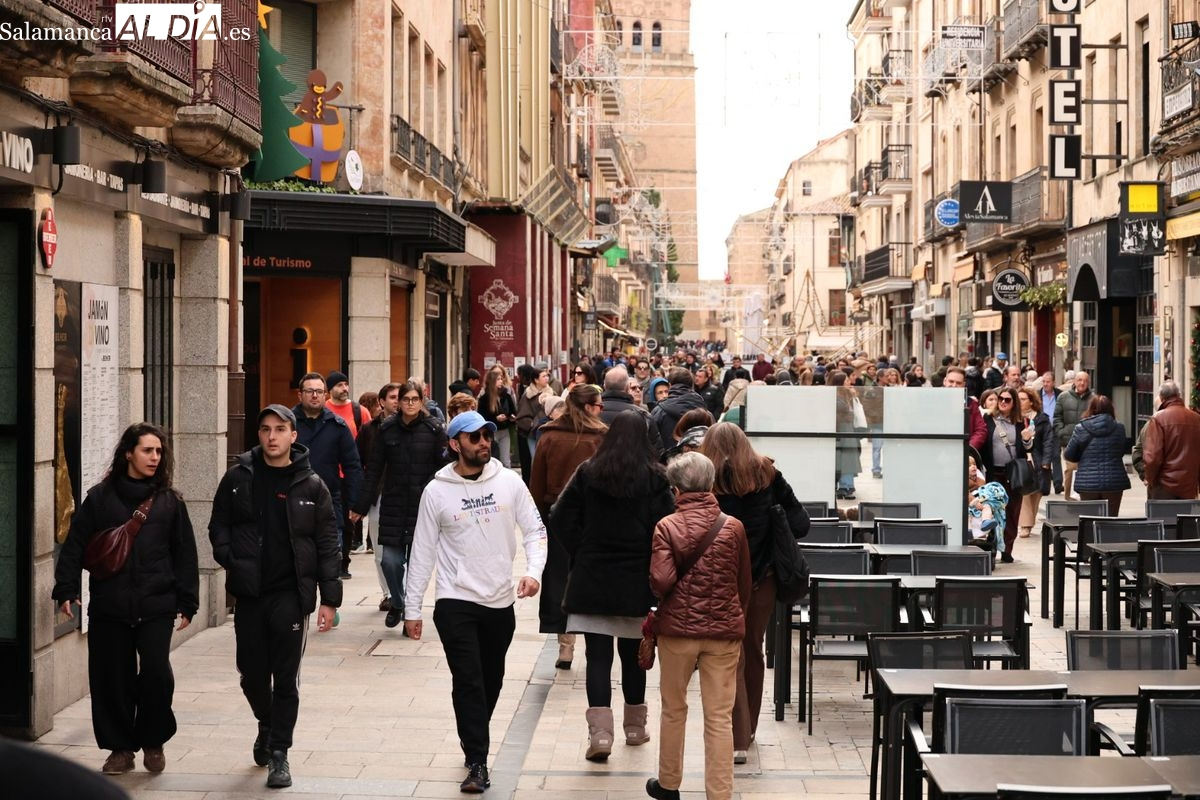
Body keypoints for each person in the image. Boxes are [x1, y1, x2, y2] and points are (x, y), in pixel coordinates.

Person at [402, 410, 547, 794]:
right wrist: (412, 609)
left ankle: (473, 738)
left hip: (499, 602)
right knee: (468, 680)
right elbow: (422, 552)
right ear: (454, 444)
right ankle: (478, 761)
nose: (484, 441)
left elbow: (535, 530)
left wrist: (534, 571)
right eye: (474, 437)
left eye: (487, 434)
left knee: (491, 680)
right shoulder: (436, 491)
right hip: (455, 600)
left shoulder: (510, 483)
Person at [52, 422, 199, 777]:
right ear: (128, 453)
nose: (154, 457)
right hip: (110, 605)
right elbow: (75, 546)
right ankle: (120, 749)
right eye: (147, 450)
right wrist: (67, 589)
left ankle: (153, 740)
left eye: (158, 451)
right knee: (111, 678)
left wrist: (187, 601)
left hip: (156, 605)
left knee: (156, 675)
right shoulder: (99, 499)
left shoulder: (169, 502)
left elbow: (185, 554)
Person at [208, 404, 342, 789]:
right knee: (251, 675)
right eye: (265, 429)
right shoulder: (238, 478)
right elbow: (219, 524)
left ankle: (280, 753)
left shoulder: (312, 485)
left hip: (290, 594)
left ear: (293, 436)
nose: (271, 436)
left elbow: (327, 543)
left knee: (285, 677)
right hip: (250, 593)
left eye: (280, 429)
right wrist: (230, 557)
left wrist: (330, 599)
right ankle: (266, 722)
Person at [551, 410, 675, 762]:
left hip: (593, 579)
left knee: (598, 658)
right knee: (635, 657)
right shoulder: (655, 478)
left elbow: (559, 516)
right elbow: (667, 525)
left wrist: (582, 547)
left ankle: (601, 736)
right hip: (637, 582)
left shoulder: (589, 472)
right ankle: (635, 729)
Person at [700, 422, 807, 763]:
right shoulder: (768, 474)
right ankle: (749, 728)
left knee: (729, 651)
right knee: (752, 649)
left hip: (720, 580)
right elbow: (801, 522)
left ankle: (737, 736)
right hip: (765, 578)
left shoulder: (704, 477)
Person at [645, 452, 750, 800]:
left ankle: (669, 783)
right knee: (719, 716)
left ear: (676, 488)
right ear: (710, 484)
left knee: (674, 708)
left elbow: (661, 582)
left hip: (677, 632)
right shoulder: (733, 526)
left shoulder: (667, 526)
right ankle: (719, 793)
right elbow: (743, 582)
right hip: (723, 634)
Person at [350, 380, 447, 629]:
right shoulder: (387, 429)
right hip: (392, 503)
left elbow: (443, 469)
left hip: (422, 507)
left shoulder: (434, 429)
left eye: (415, 399)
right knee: (389, 561)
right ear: (399, 402)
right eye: (406, 400)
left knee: (416, 565)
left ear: (422, 401)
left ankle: (410, 612)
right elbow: (373, 469)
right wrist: (360, 506)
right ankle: (398, 600)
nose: (410, 404)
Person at [531, 383, 608, 670]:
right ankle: (594, 641)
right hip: (593, 519)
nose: (602, 410)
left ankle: (565, 647)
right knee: (590, 579)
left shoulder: (548, 437)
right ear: (588, 406)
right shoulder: (600, 439)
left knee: (560, 580)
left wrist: (538, 522)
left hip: (556, 517)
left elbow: (537, 484)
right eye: (599, 405)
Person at [292, 372, 361, 580]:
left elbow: (352, 466)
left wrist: (355, 503)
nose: (315, 396)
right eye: (310, 391)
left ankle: (330, 606)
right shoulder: (287, 422)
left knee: (331, 564)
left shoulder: (337, 426)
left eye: (319, 391)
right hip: (292, 502)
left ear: (325, 395)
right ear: (300, 394)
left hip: (329, 502)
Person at [356, 382, 401, 613]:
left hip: (406, 496)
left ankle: (402, 592)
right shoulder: (369, 430)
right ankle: (388, 594)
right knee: (380, 549)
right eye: (392, 397)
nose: (397, 400)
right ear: (381, 402)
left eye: (399, 396)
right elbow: (360, 463)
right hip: (378, 495)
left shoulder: (416, 427)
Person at [978, 387, 1029, 562]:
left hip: (1013, 473)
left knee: (1012, 512)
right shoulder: (988, 419)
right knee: (991, 510)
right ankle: (991, 548)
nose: (1003, 402)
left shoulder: (1022, 422)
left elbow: (1027, 448)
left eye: (1008, 400)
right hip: (993, 472)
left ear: (1014, 403)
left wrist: (1027, 440)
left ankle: (1007, 548)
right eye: (1001, 399)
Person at [1065, 394, 1131, 515]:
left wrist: (1082, 457)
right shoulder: (1119, 428)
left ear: (1091, 408)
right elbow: (1122, 451)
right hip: (1114, 482)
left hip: (1087, 482)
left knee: (1090, 521)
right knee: (1111, 520)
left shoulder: (1081, 428)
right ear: (1111, 409)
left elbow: (1069, 454)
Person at [1141, 381, 1200, 499]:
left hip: (1164, 487)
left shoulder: (1158, 419)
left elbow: (1153, 457)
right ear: (1179, 395)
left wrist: (1150, 479)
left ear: (1162, 398)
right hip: (1189, 486)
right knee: (1186, 517)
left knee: (1164, 517)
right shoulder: (1196, 419)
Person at [1015, 387, 1056, 538]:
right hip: (1021, 460)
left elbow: (1048, 441)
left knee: (1036, 493)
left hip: (1037, 460)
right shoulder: (1015, 419)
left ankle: (1029, 524)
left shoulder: (1042, 419)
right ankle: (1025, 525)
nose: (1020, 402)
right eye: (1018, 399)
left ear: (1031, 402)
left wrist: (1046, 461)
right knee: (1024, 492)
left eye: (1023, 399)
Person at [600, 365, 664, 453]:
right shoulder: (643, 415)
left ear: (604, 386)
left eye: (640, 388)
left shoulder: (592, 411)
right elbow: (656, 451)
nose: (638, 390)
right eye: (633, 388)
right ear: (627, 387)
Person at [1052, 371, 1093, 501]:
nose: (1082, 383)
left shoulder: (1094, 398)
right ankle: (1069, 498)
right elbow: (1057, 417)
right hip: (1069, 440)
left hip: (1088, 442)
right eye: (1079, 380)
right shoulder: (1063, 397)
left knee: (1085, 470)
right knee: (1070, 469)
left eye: (1085, 381)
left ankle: (1083, 497)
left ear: (1089, 383)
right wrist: (1062, 432)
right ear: (1074, 381)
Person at [515, 363, 554, 484]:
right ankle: (535, 486)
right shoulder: (527, 394)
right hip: (533, 434)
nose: (547, 378)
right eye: (543, 376)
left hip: (549, 432)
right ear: (536, 380)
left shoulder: (552, 393)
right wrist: (532, 424)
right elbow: (521, 416)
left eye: (547, 376)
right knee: (535, 461)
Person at [651, 368, 708, 447]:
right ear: (691, 385)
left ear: (670, 385)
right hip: (698, 457)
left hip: (668, 457)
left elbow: (652, 441)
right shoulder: (706, 413)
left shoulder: (658, 411)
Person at [830, 371, 863, 500]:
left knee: (848, 458)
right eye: (846, 380)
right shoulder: (835, 396)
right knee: (843, 458)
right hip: (841, 430)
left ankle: (846, 485)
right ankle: (844, 485)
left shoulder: (846, 395)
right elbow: (843, 412)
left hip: (847, 430)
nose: (849, 382)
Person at [479, 364, 517, 468]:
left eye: (502, 378)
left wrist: (511, 417)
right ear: (492, 381)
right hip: (492, 432)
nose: (501, 381)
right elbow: (482, 417)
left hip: (504, 430)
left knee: (506, 461)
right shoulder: (484, 398)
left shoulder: (506, 394)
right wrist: (495, 419)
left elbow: (513, 411)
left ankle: (508, 483)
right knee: (492, 460)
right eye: (498, 379)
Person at [944, 367, 988, 452]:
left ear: (964, 384)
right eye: (951, 381)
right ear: (945, 381)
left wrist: (968, 448)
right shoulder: (933, 402)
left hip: (964, 452)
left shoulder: (971, 404)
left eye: (958, 383)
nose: (954, 385)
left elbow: (981, 430)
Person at [1039, 372, 1064, 493]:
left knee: (1055, 455)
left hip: (1055, 429)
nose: (1045, 384)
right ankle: (1045, 485)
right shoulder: (1037, 395)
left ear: (1053, 382)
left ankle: (1058, 484)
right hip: (1042, 430)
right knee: (1045, 457)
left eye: (1048, 382)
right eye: (1043, 381)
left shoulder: (1060, 395)